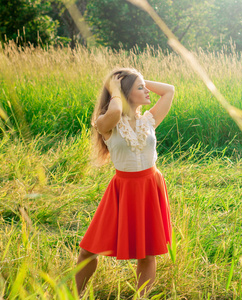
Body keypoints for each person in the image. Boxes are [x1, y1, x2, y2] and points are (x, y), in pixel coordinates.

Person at [75, 67, 175, 297]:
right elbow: (117, 110)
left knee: (147, 254)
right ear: (125, 93)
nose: (147, 91)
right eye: (140, 88)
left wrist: (136, 81)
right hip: (122, 190)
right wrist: (117, 88)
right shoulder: (106, 123)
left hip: (150, 186)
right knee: (88, 250)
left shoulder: (148, 120)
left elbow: (169, 91)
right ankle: (74, 294)